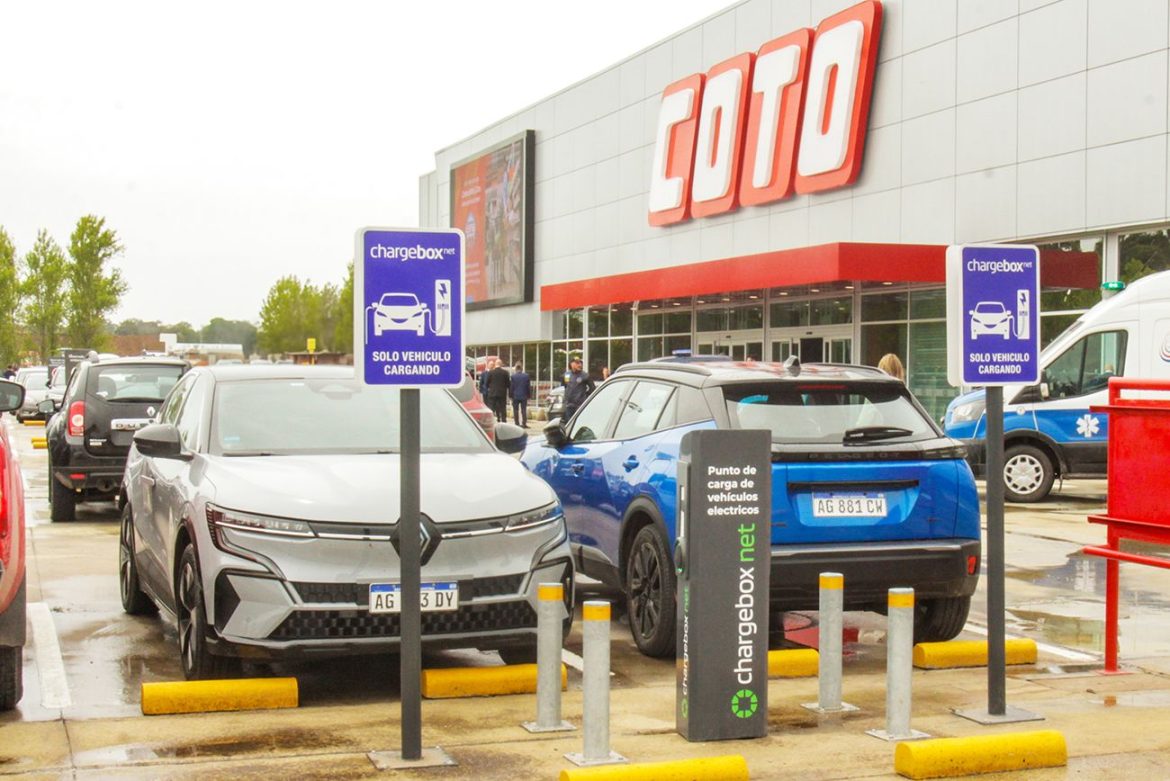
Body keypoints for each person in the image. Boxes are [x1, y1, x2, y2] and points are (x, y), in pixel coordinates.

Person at [562, 356, 595, 420]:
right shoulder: (566, 375)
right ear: (571, 364)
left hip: (580, 405)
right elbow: (565, 386)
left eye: (580, 363)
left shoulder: (585, 375)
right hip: (569, 405)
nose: (580, 365)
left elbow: (592, 388)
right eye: (577, 363)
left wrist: (585, 396)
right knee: (569, 424)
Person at [485, 359, 511, 423]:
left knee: (491, 407)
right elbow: (508, 384)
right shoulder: (505, 373)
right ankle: (504, 421)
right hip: (502, 393)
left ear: (495, 364)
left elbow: (486, 383)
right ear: (501, 364)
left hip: (492, 393)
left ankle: (490, 421)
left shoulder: (491, 372)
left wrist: (490, 387)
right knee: (502, 408)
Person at [509, 362, 530, 428]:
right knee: (523, 410)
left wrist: (510, 395)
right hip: (524, 395)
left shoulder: (513, 376)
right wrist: (528, 395)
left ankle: (516, 423)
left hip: (515, 395)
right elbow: (528, 387)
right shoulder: (526, 376)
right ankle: (524, 423)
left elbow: (511, 387)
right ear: (522, 368)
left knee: (516, 410)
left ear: (515, 368)